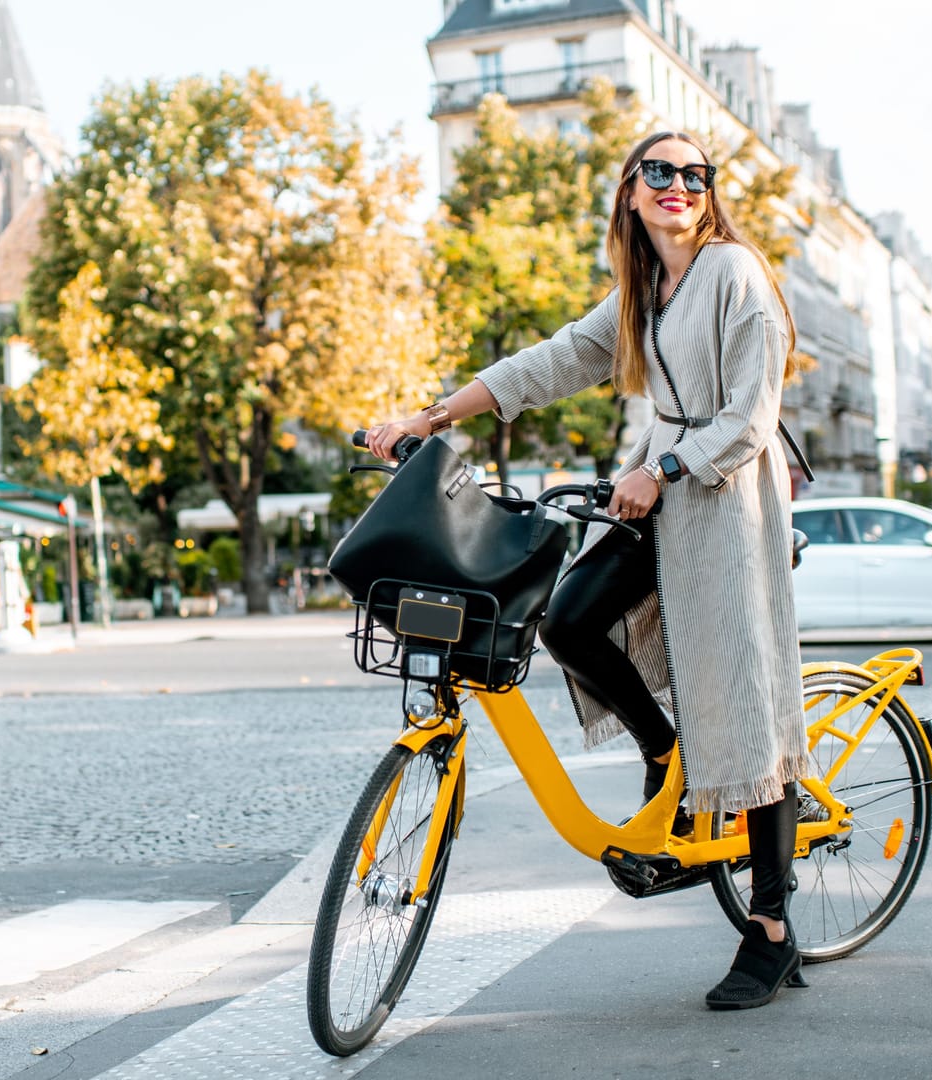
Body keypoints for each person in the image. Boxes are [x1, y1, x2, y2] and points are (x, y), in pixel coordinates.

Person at [364, 130, 812, 1010]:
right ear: (631, 194)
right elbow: (555, 361)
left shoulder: (734, 275)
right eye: (660, 172)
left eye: (694, 173)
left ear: (707, 192)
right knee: (568, 621)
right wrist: (429, 416)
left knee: (742, 704)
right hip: (659, 492)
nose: (678, 184)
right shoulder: (643, 292)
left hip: (722, 500)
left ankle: (772, 930)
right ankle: (663, 748)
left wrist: (666, 469)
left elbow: (753, 415)